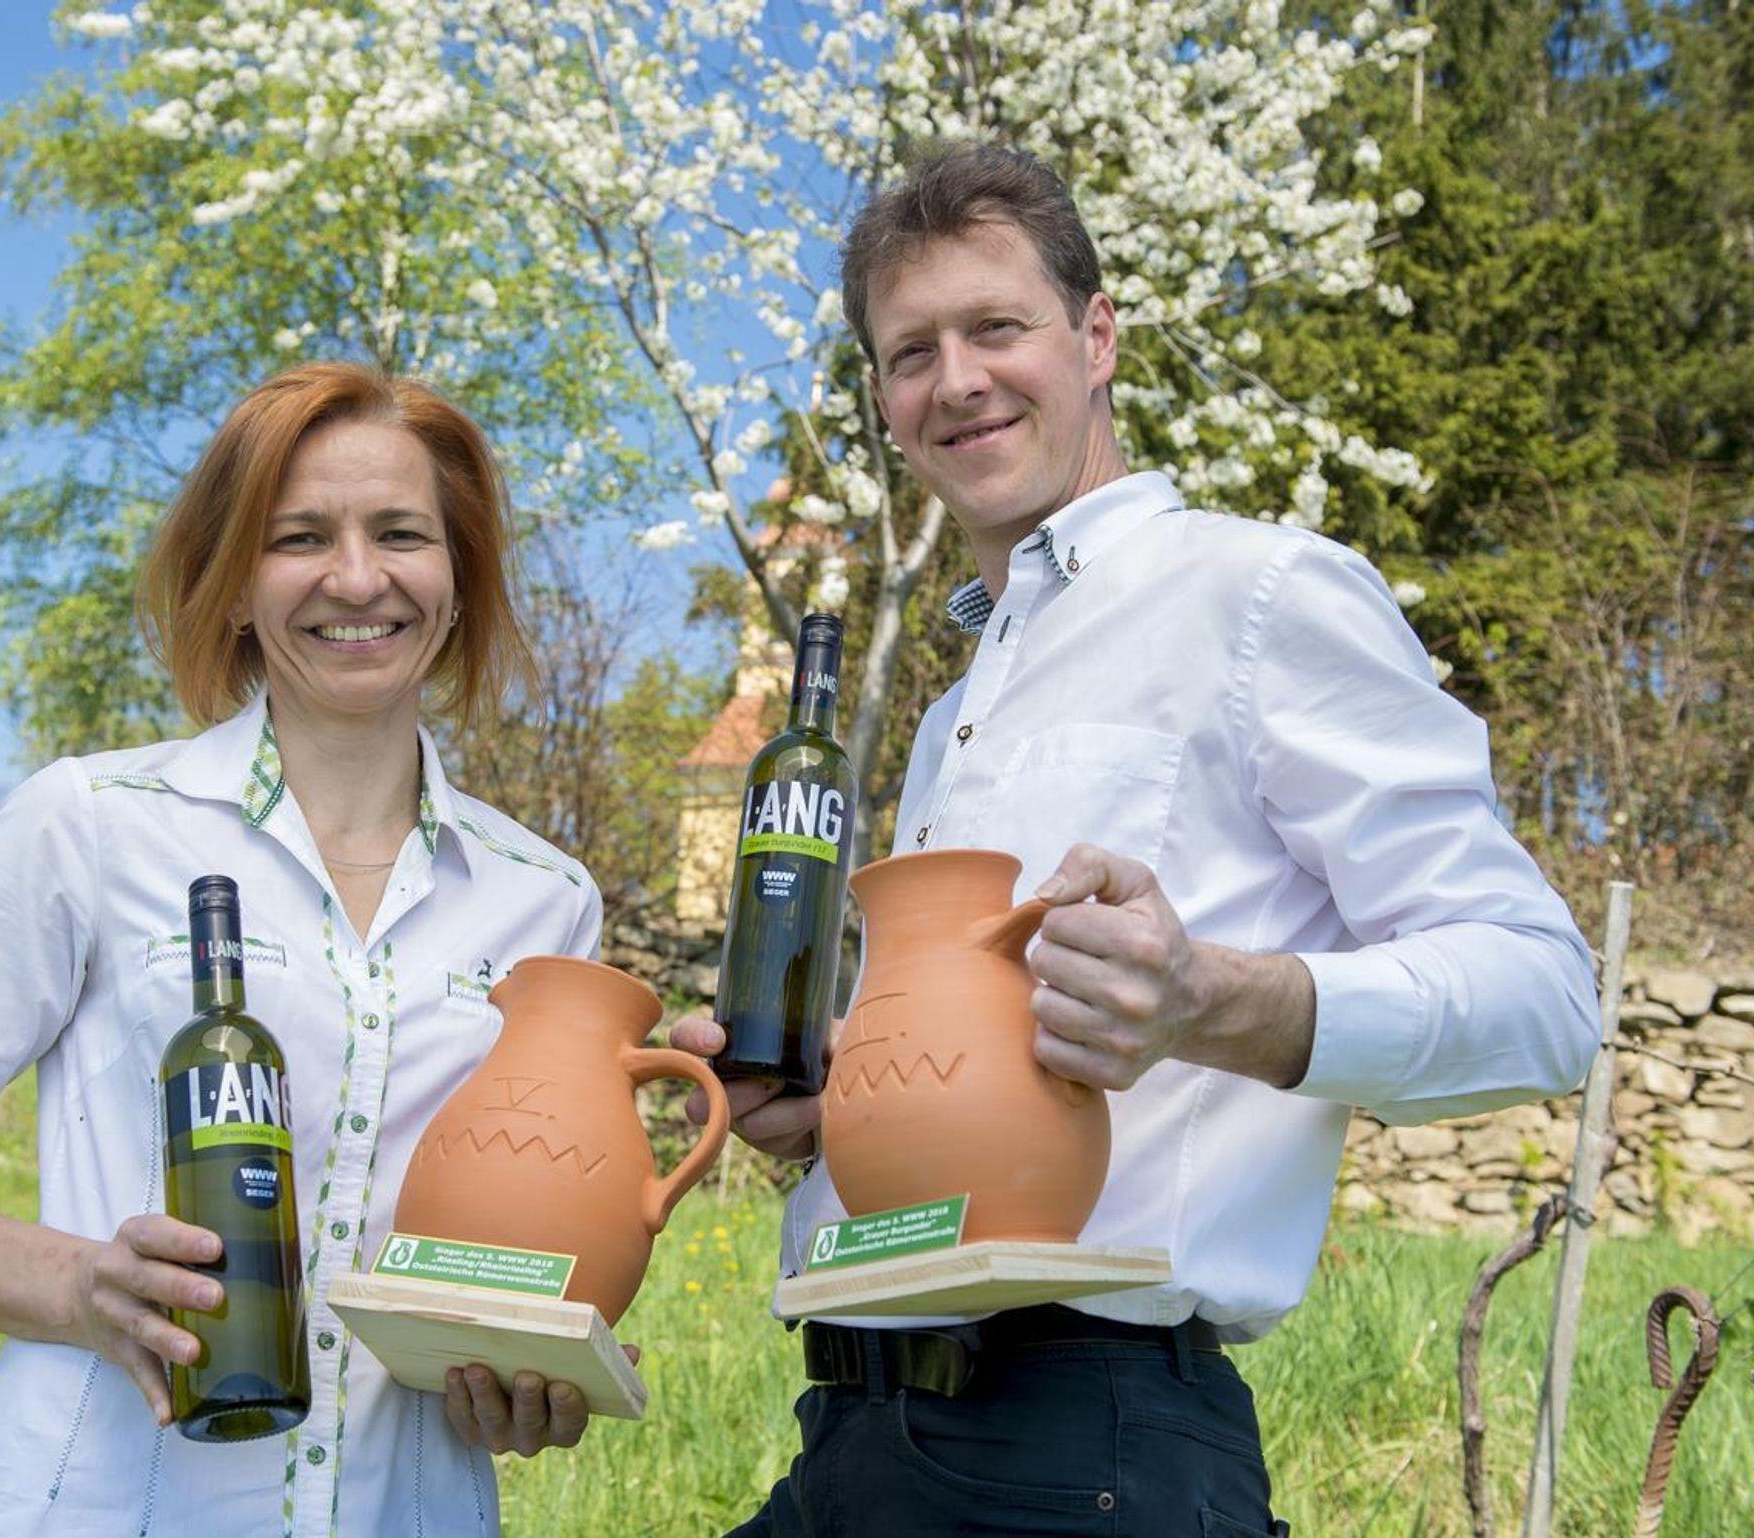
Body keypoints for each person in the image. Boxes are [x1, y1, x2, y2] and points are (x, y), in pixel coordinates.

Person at [673, 145, 1599, 1536]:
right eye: (912, 351)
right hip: (852, 1432)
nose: (957, 379)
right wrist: (825, 1124)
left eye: (997, 327)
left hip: (1087, 1448)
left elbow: (1545, 996)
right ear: (882, 400)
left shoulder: (1257, 593)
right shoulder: (949, 721)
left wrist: (1210, 998)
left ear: (1096, 336)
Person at [0, 362, 610, 1536]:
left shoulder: (546, 901)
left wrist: (520, 1365)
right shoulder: (89, 823)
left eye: (400, 533)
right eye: (298, 536)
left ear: (458, 575)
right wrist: (76, 1282)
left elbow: (525, 1246)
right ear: (234, 586)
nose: (355, 577)